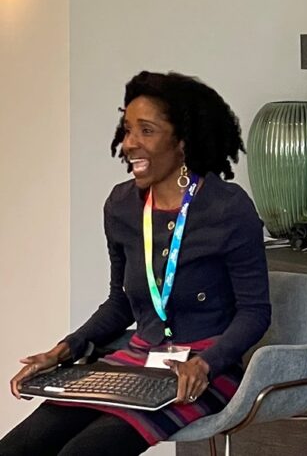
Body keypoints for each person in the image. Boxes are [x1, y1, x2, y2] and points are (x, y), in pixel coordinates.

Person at [1, 71, 271, 455]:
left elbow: (255, 312)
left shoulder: (229, 208)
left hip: (207, 369)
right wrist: (62, 351)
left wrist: (206, 364)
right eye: (127, 130)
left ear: (182, 140)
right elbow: (120, 303)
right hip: (137, 358)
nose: (130, 144)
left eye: (147, 130)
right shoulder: (122, 206)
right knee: (18, 448)